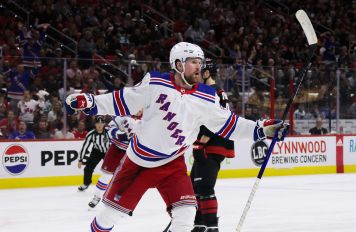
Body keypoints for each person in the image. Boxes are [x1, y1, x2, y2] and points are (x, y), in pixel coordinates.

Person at [65, 42, 289, 232]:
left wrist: (263, 130)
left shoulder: (206, 97)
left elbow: (229, 125)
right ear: (179, 64)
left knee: (186, 215)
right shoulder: (155, 83)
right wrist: (91, 103)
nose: (199, 67)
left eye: (201, 63)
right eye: (194, 62)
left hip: (173, 165)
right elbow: (123, 100)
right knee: (107, 218)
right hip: (137, 163)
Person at [190, 58, 234, 232]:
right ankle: (200, 225)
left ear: (207, 74)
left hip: (211, 145)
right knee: (195, 186)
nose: (196, 77)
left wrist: (202, 141)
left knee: (204, 187)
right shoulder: (218, 91)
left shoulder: (211, 91)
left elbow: (216, 119)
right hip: (214, 145)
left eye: (198, 73)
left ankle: (211, 227)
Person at [88, 116, 139, 208]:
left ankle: (115, 199)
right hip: (115, 149)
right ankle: (97, 196)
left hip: (131, 152)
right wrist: (119, 134)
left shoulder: (147, 118)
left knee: (125, 178)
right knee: (106, 175)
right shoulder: (124, 114)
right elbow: (109, 127)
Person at [77, 115, 110, 191]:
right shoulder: (91, 134)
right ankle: (86, 183)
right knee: (88, 168)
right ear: (95, 124)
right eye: (98, 123)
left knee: (113, 169)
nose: (99, 125)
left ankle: (114, 185)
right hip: (96, 151)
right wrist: (80, 160)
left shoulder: (109, 132)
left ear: (104, 124)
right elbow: (85, 147)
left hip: (108, 152)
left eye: (101, 123)